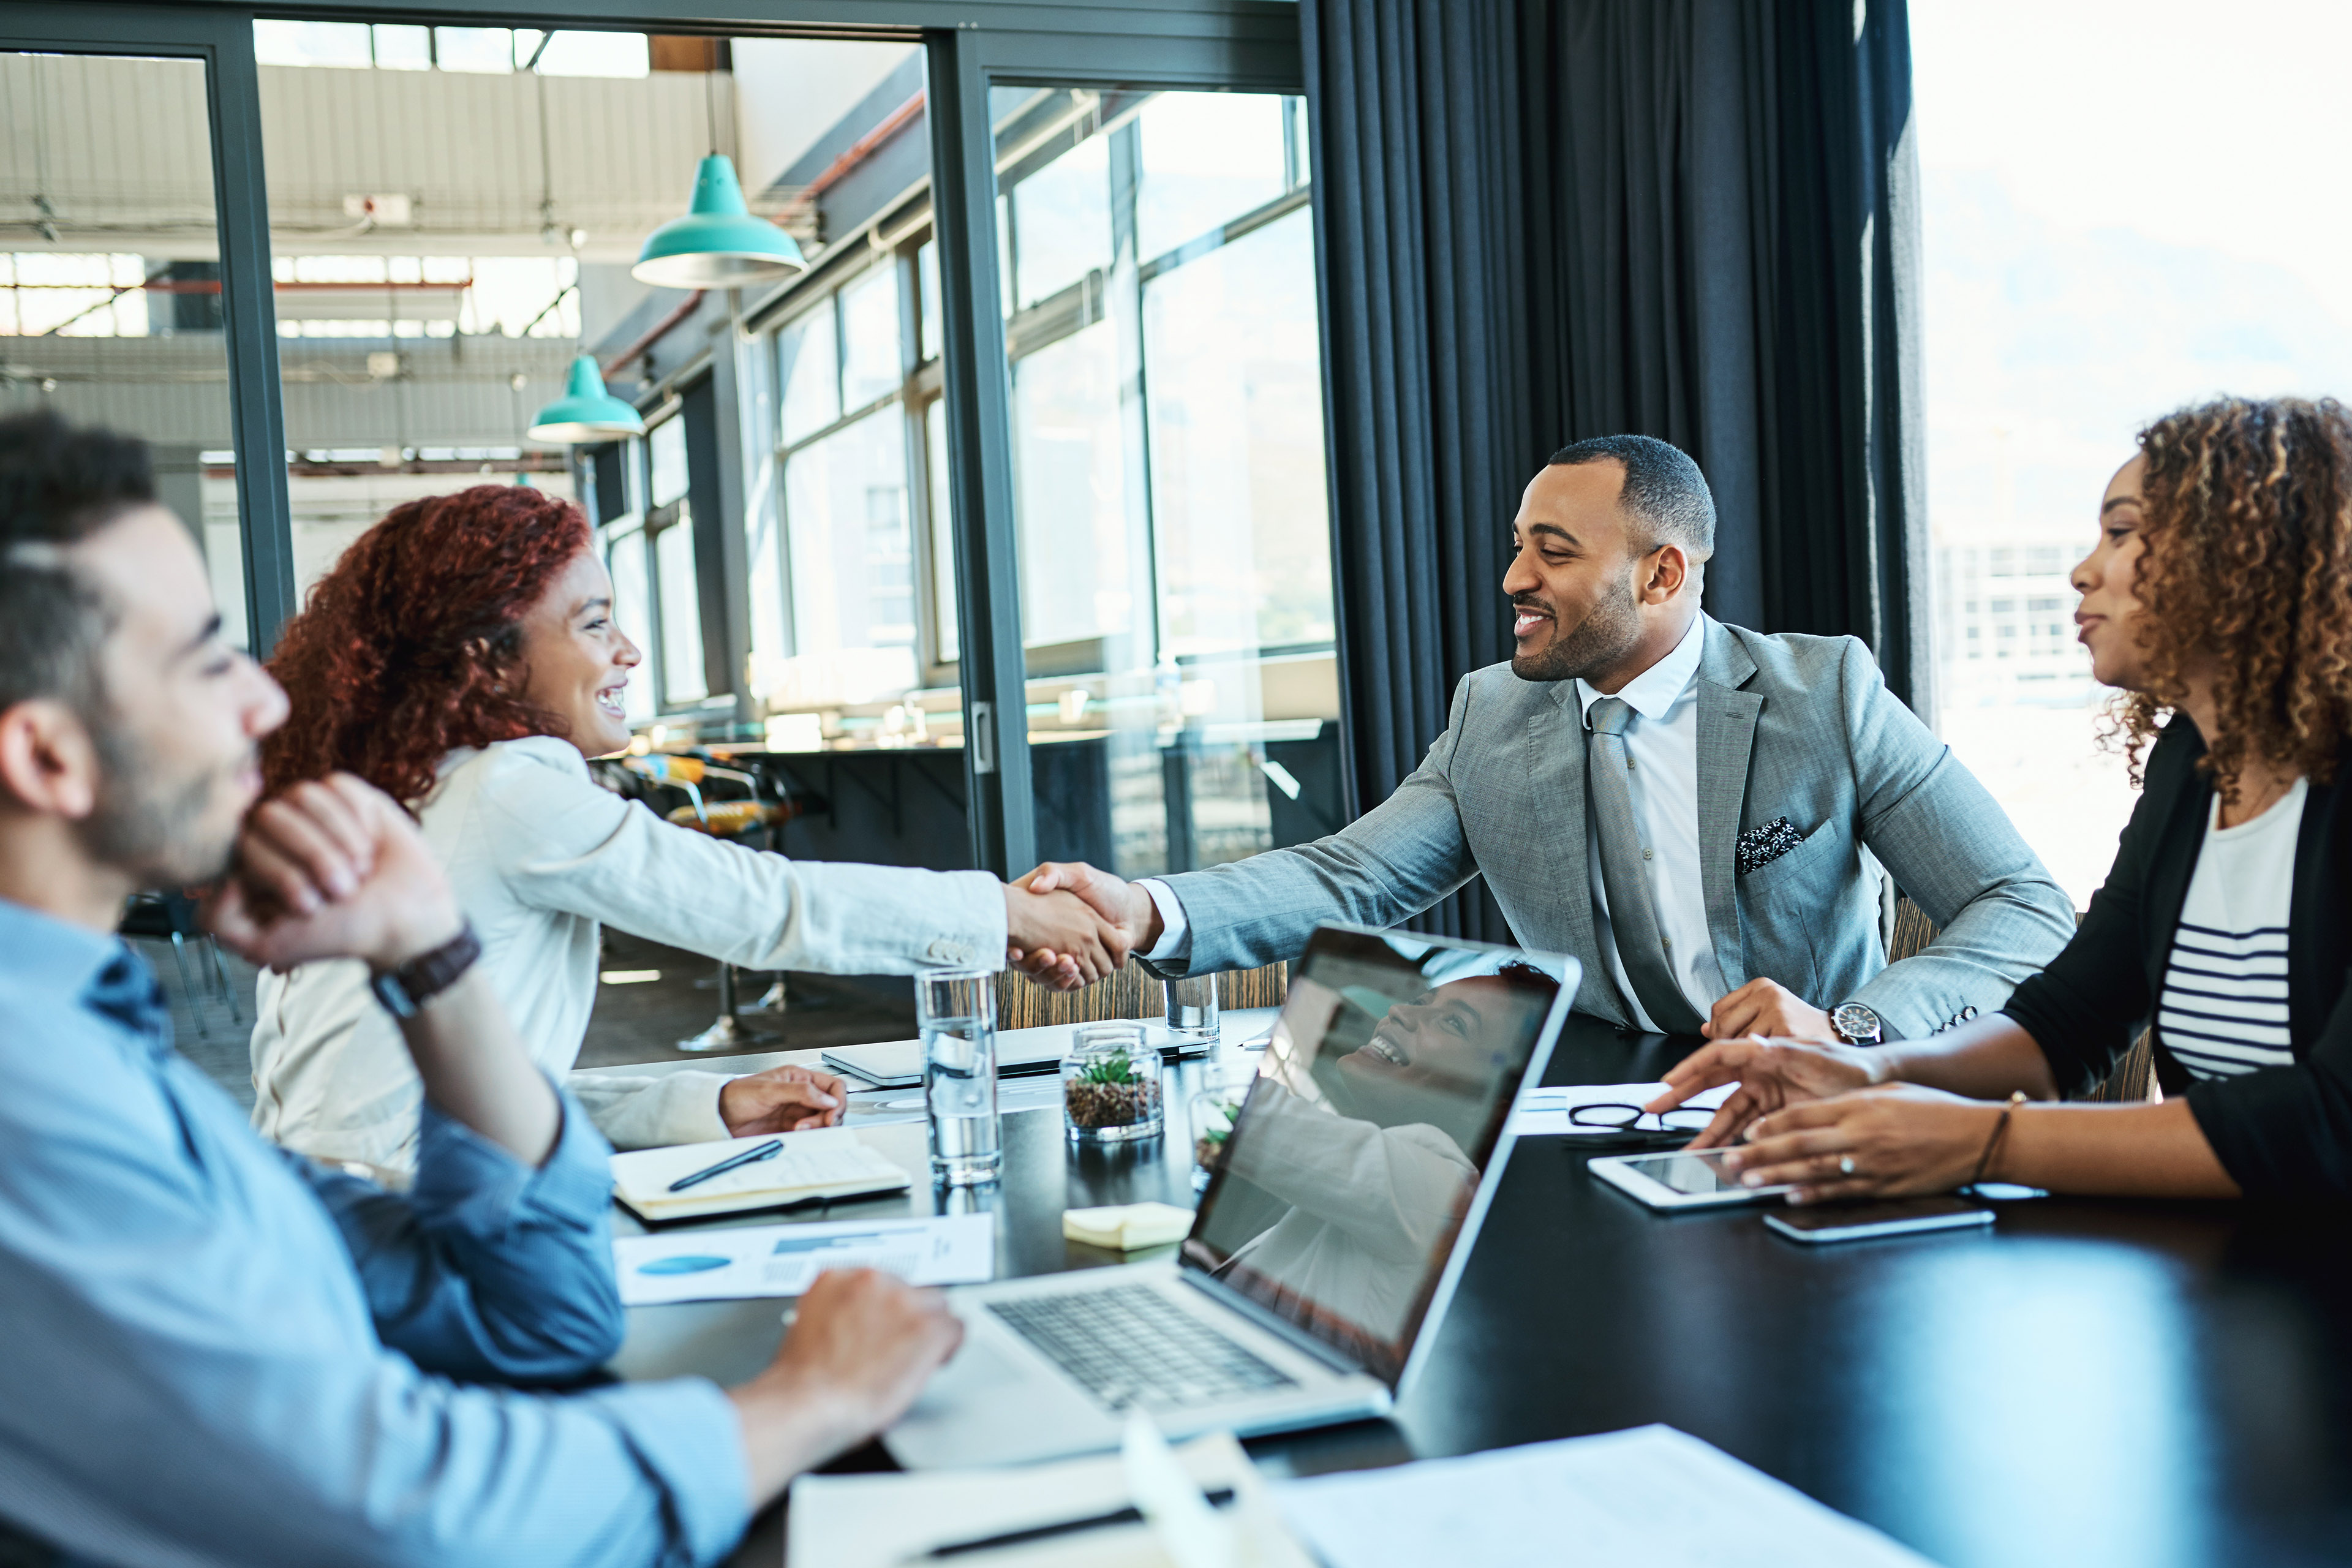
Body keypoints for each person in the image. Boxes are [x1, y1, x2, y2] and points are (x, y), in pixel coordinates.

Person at [0, 411, 961, 1565]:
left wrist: (436, 967)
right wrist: (810, 1401)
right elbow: (420, 1518)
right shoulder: (35, 1103)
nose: (261, 701)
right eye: (205, 659)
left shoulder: (96, 1046)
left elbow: (539, 1318)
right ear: (49, 757)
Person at [1027, 435, 2076, 1046]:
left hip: (1819, 1116)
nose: (1514, 581)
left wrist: (1853, 1034)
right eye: (1518, 547)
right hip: (1599, 1119)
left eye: (1554, 553)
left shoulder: (1825, 695)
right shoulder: (1494, 713)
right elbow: (1352, 880)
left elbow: (2022, 906)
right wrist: (1146, 909)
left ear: (1662, 575)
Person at [247, 483, 1122, 1174]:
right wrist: (1000, 914)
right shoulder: (507, 789)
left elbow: (463, 1101)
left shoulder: (410, 791)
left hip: (349, 1223)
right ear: (491, 659)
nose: (628, 650)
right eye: (593, 624)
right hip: (410, 1247)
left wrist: (702, 1108)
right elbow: (763, 905)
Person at [1648, 396, 2352, 1201]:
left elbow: (2332, 1121)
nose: (2083, 570)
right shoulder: (2193, 766)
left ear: (2247, 555)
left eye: (2121, 534)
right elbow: (2066, 1028)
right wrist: (1861, 1070)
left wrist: (1987, 1142)